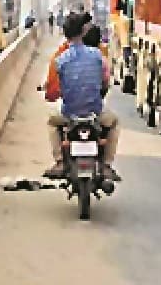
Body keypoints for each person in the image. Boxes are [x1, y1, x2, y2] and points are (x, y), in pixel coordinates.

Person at [43, 13, 120, 179]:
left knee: (51, 122)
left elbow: (52, 93)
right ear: (84, 31)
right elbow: (105, 82)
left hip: (69, 114)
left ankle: (60, 161)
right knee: (114, 122)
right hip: (95, 112)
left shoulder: (60, 60)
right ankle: (106, 164)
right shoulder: (97, 55)